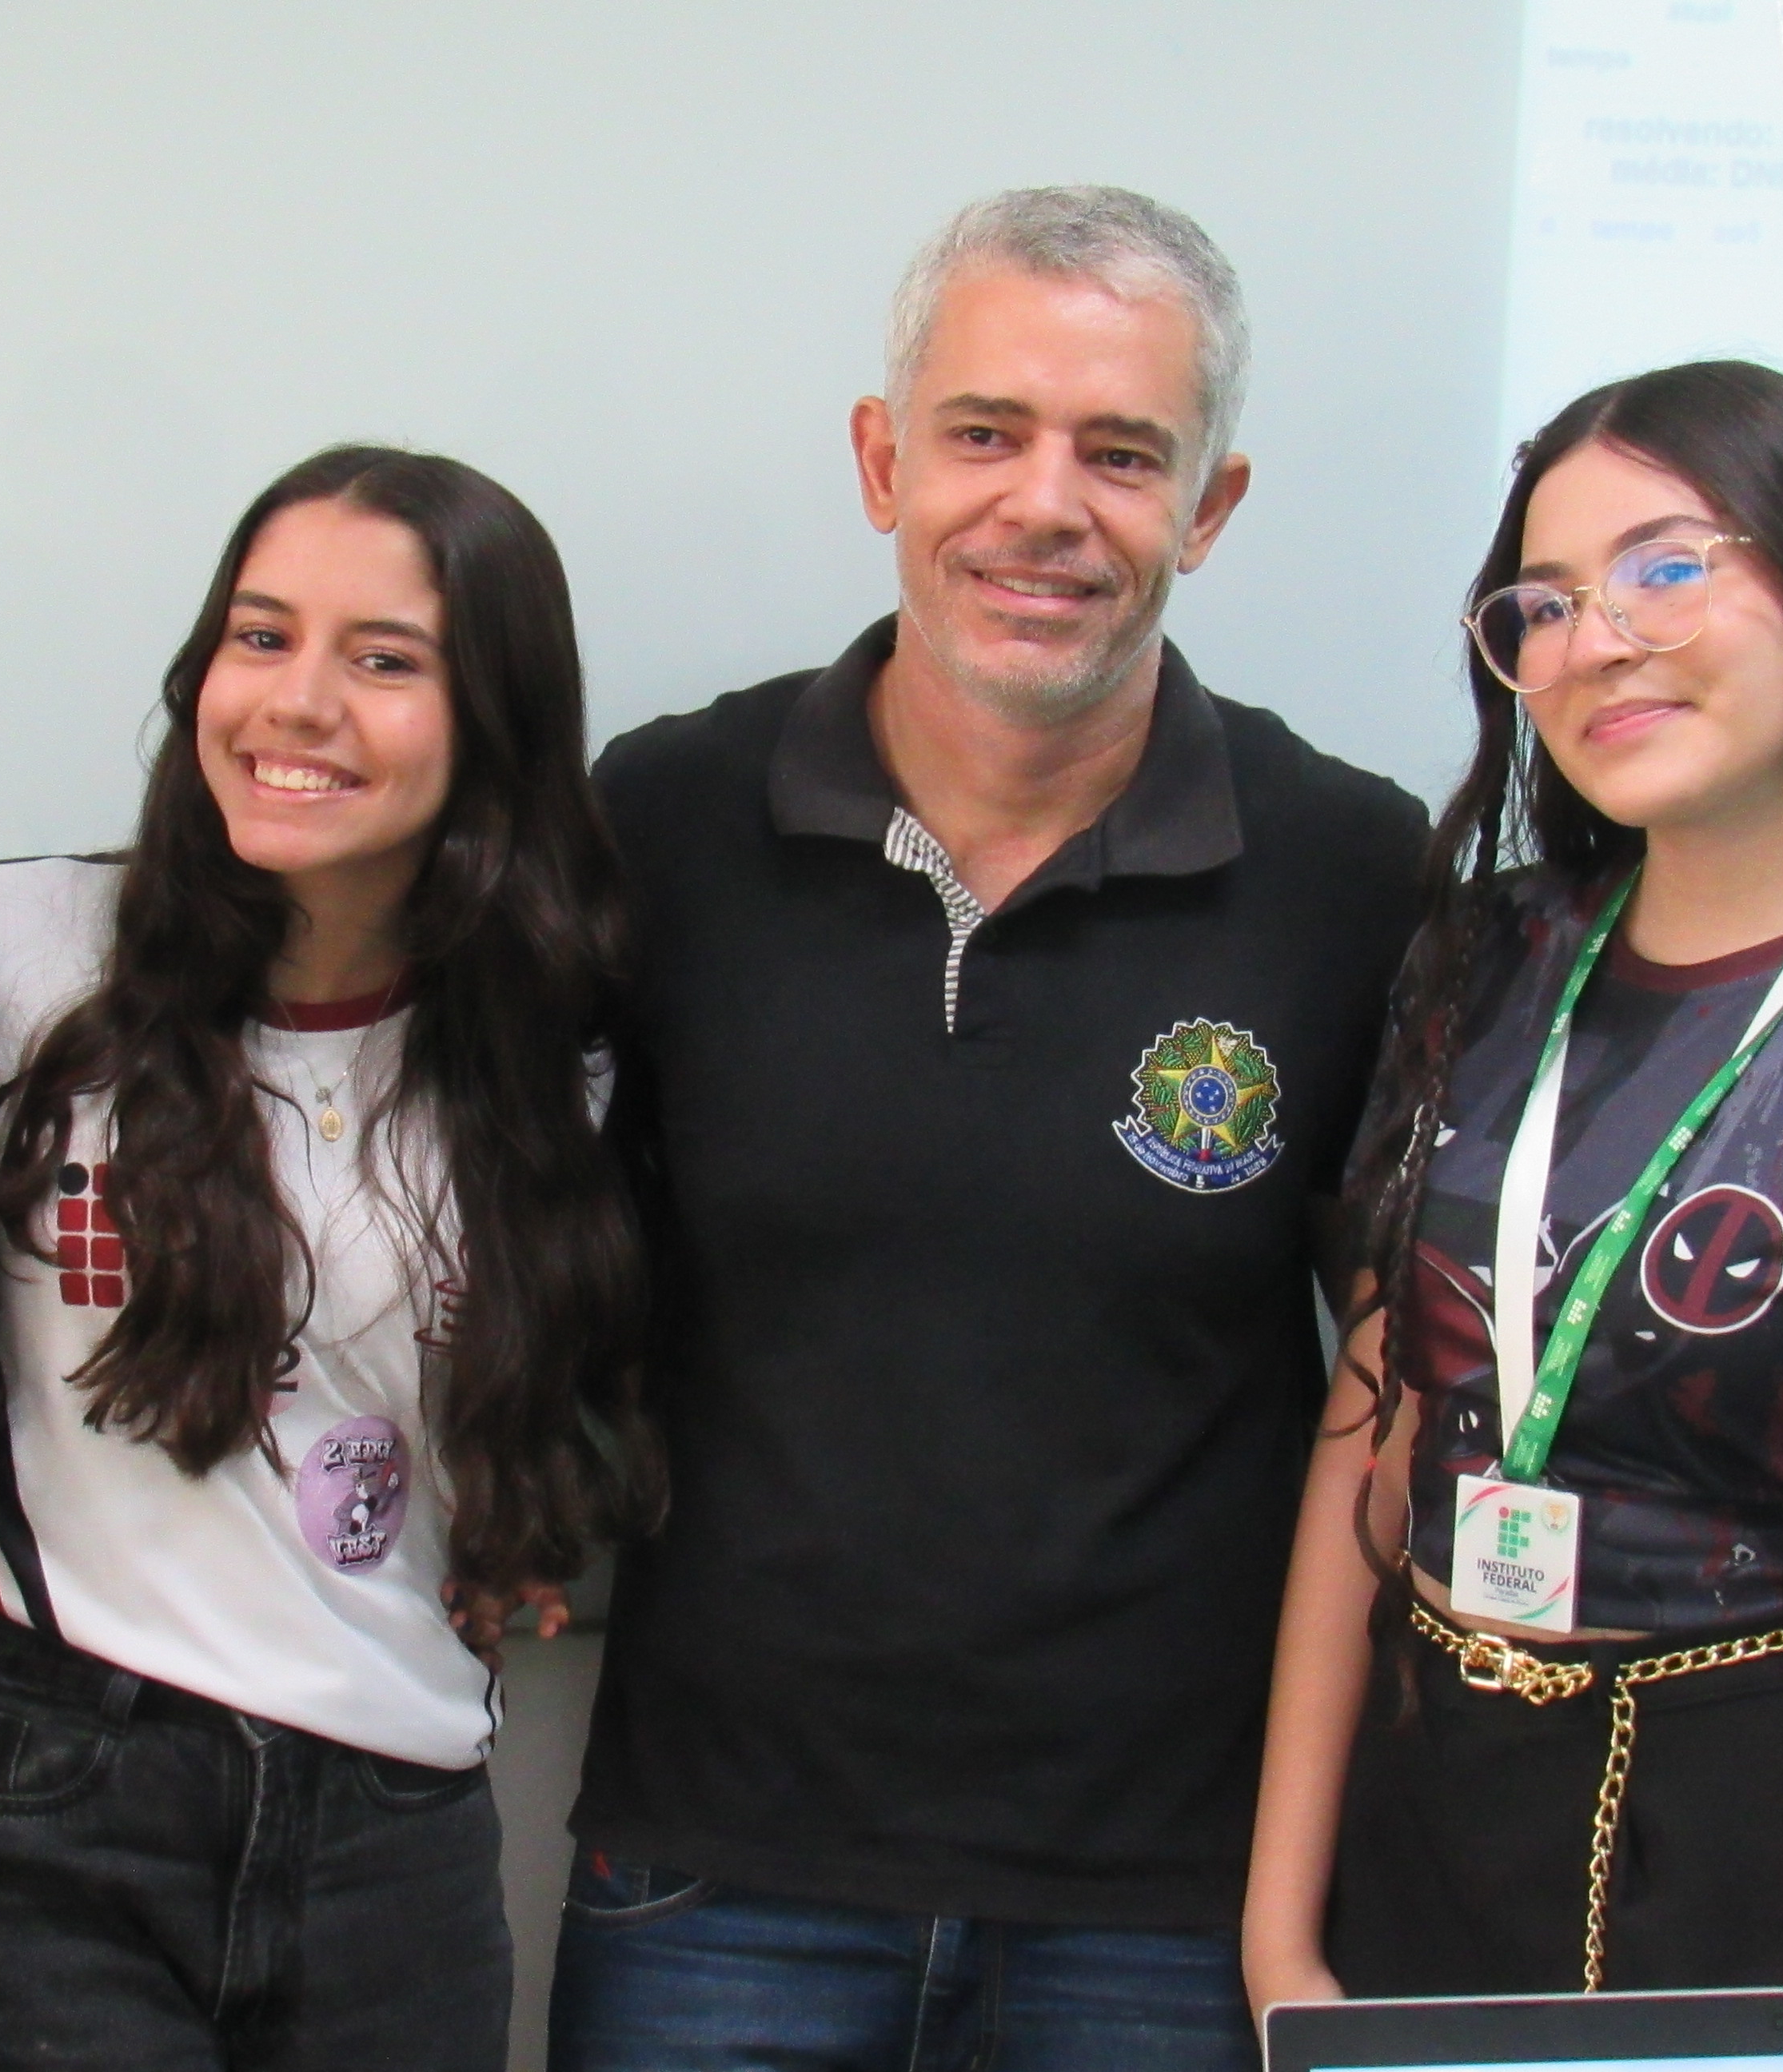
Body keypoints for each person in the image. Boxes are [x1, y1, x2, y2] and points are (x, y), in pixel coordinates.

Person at [549, 188, 1429, 2069]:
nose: (1047, 505)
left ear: (1211, 506)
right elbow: (518, 1229)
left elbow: (1404, 1385)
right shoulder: (671, 817)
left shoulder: (1353, 870)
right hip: (720, 1883)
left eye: (1124, 453)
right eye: (985, 433)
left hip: (1169, 1912)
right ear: (884, 462)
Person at [1236, 361, 1783, 2003]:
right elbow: (1373, 1424)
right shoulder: (1485, 959)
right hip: (1428, 1827)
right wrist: (1281, 1931)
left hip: (1756, 1861)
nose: (1597, 644)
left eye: (1665, 569)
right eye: (1543, 606)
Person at [0, 443, 659, 2070]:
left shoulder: (552, 1063)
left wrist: (526, 1497)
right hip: (39, 1790)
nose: (298, 703)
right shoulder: (7, 958)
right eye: (260, 635)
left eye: (386, 660)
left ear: (496, 721)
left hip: (396, 1831)